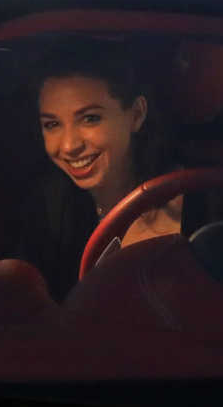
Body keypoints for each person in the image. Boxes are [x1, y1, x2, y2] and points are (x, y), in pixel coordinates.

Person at [10, 43, 180, 299]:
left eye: (90, 118)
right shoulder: (49, 206)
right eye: (52, 124)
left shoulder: (199, 198)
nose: (69, 146)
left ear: (136, 114)